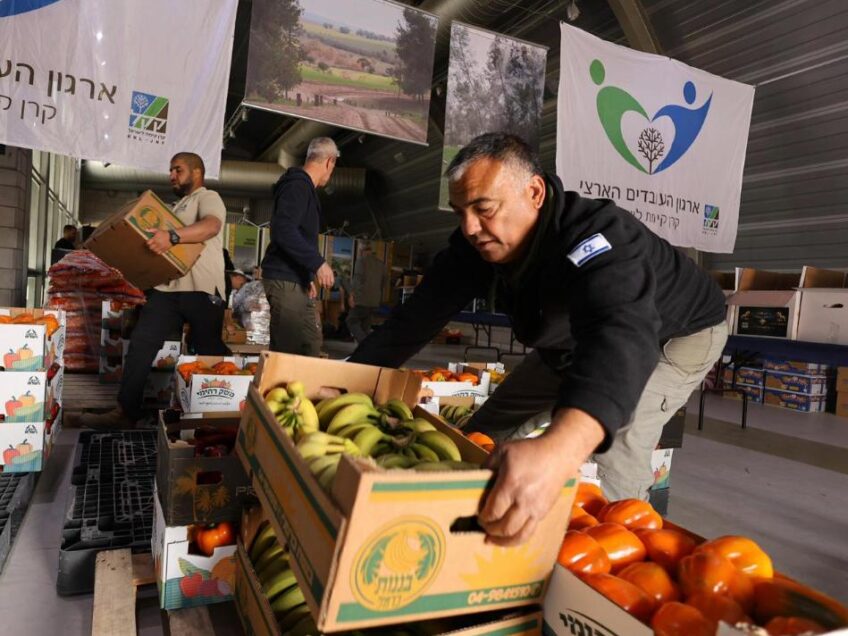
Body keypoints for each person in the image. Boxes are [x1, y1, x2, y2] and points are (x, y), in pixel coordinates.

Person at [348, 133, 728, 546]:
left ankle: (618, 560)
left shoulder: (597, 236)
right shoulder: (476, 245)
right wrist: (344, 378)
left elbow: (619, 332)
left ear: (534, 191)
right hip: (567, 341)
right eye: (460, 212)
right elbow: (415, 319)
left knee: (617, 442)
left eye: (484, 209)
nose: (470, 227)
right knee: (483, 434)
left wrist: (561, 448)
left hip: (677, 334)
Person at [81, 152, 230, 428]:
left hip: (201, 289)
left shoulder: (207, 198)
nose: (172, 175)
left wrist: (172, 237)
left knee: (209, 350)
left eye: (178, 170)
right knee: (141, 344)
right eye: (171, 170)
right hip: (167, 289)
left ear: (196, 172)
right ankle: (126, 412)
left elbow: (211, 226)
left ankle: (221, 414)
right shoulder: (176, 207)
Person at [261, 137, 338, 356]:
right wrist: (317, 263)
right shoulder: (297, 186)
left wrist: (306, 276)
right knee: (287, 353)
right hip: (285, 281)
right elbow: (283, 229)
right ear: (329, 161)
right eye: (332, 166)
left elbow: (298, 234)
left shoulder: (304, 189)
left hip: (296, 280)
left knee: (311, 348)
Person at [345, 242, 387, 342]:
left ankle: (365, 344)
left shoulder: (361, 261)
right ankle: (366, 352)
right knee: (365, 327)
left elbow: (357, 280)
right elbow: (384, 282)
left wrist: (351, 296)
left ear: (362, 250)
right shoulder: (381, 264)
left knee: (351, 320)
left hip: (362, 299)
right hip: (374, 301)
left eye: (359, 250)